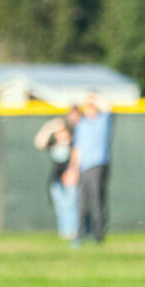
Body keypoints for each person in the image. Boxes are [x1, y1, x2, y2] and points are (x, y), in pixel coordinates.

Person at [67, 92, 112, 244]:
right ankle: (79, 235)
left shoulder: (102, 121)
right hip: (83, 167)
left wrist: (94, 97)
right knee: (81, 202)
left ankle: (98, 235)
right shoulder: (82, 125)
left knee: (96, 201)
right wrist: (73, 168)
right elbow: (77, 148)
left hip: (97, 166)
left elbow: (108, 107)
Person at [33, 106, 81, 241]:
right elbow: (39, 143)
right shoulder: (53, 142)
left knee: (71, 205)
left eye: (62, 131)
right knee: (61, 206)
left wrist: (72, 171)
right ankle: (64, 233)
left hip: (70, 177)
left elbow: (76, 156)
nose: (60, 134)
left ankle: (73, 231)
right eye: (58, 132)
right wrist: (49, 127)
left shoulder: (73, 142)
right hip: (56, 178)